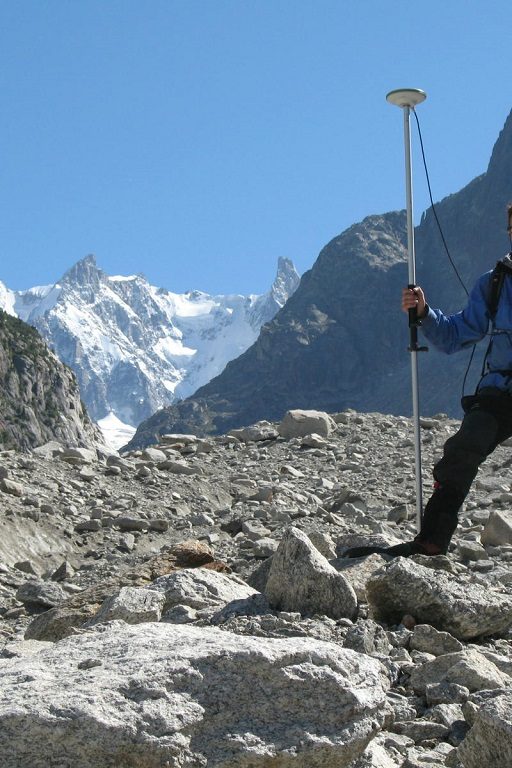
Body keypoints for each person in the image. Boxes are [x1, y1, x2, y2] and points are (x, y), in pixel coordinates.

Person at [345, 204, 512, 559]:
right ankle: (431, 543)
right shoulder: (495, 283)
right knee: (460, 454)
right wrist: (423, 313)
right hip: (501, 392)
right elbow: (456, 335)